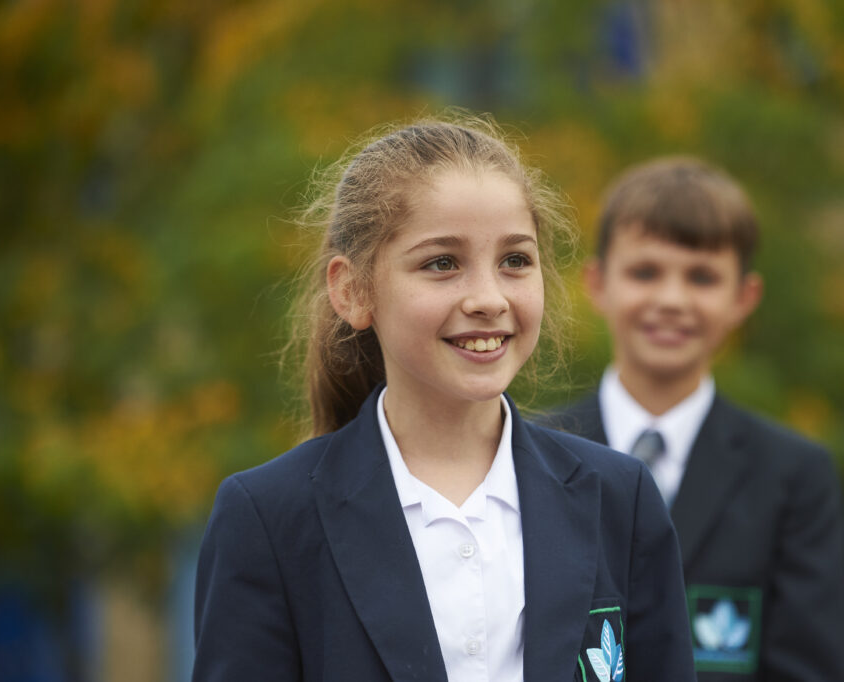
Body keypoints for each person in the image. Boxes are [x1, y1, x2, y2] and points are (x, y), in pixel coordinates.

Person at [192, 116, 697, 682]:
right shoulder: (267, 518)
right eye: (442, 263)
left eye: (515, 260)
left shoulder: (619, 499)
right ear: (352, 290)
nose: (488, 298)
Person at [540, 157, 844, 681]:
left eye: (702, 277)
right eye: (645, 272)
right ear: (597, 283)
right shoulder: (533, 451)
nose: (671, 299)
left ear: (743, 298)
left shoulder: (794, 476)